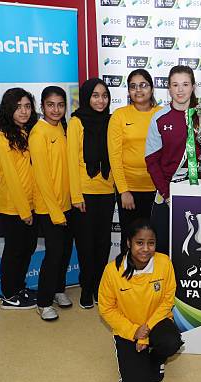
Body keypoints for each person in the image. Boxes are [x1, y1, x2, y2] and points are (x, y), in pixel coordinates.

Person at [99, 219, 183, 382]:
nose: (145, 249)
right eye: (139, 243)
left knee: (171, 342)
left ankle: (156, 359)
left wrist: (144, 333)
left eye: (150, 243)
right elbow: (107, 309)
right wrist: (134, 331)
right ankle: (139, 357)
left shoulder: (164, 263)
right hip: (128, 329)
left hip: (155, 323)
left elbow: (168, 300)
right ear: (128, 243)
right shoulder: (112, 271)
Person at [67, 78, 115, 309]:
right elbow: (70, 161)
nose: (100, 100)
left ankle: (98, 285)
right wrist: (76, 197)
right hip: (84, 193)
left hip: (106, 190)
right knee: (86, 244)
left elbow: (115, 156)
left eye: (104, 95)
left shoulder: (111, 121)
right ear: (87, 97)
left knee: (103, 243)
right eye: (95, 95)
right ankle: (86, 287)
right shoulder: (76, 122)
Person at [29, 86, 73, 321]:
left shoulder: (62, 129)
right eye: (50, 105)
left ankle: (58, 289)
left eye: (60, 104)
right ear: (42, 106)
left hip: (66, 205)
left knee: (64, 252)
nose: (56, 110)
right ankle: (43, 302)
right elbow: (43, 178)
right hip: (49, 208)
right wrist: (55, 211)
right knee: (54, 254)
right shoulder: (38, 133)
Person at [0, 88, 39, 309]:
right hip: (14, 207)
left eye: (27, 106)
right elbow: (11, 178)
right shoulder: (3, 139)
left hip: (31, 204)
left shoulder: (27, 133)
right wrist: (24, 211)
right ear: (9, 109)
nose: (24, 111)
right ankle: (9, 296)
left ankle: (19, 288)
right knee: (14, 251)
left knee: (27, 248)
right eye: (18, 107)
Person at [145, 65, 198, 255]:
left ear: (193, 86)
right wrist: (167, 194)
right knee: (164, 250)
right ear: (169, 88)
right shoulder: (159, 118)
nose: (180, 90)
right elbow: (152, 161)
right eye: (175, 85)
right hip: (167, 195)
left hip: (198, 192)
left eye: (185, 84)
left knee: (194, 248)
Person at [108, 70, 161, 254]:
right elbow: (114, 156)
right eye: (133, 86)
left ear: (152, 88)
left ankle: (151, 280)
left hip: (157, 190)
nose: (138, 90)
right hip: (129, 191)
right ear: (128, 91)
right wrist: (123, 190)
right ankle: (128, 280)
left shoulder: (162, 114)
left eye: (143, 85)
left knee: (155, 238)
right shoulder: (119, 115)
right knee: (130, 239)